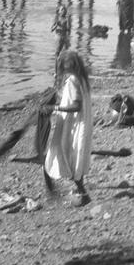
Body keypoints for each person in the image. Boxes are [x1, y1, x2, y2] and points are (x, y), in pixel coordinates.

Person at [42, 50, 92, 206]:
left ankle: (56, 192)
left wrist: (55, 109)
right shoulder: (82, 79)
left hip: (72, 125)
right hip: (83, 123)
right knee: (75, 157)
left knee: (55, 155)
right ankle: (80, 192)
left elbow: (76, 106)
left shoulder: (72, 80)